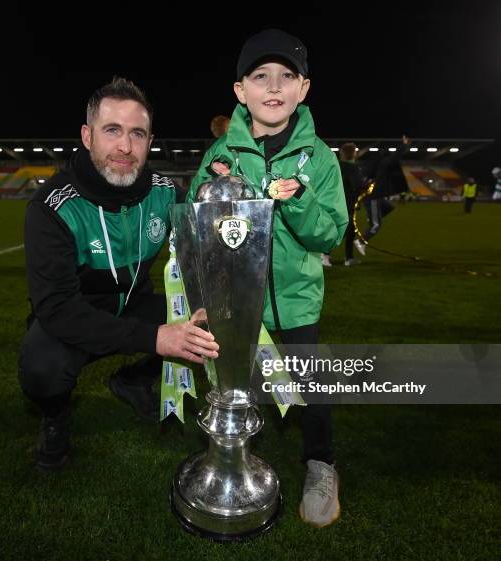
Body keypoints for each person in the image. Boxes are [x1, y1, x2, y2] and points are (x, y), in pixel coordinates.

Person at [187, 29, 348, 528]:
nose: (273, 87)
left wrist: (296, 198)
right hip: (236, 306)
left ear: (304, 89)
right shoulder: (221, 154)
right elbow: (194, 232)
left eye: (286, 76)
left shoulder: (318, 158)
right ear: (241, 91)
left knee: (312, 393)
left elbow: (329, 236)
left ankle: (321, 465)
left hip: (296, 302)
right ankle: (229, 466)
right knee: (233, 388)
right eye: (260, 77)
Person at [18, 77, 219, 471]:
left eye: (137, 134)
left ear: (150, 141)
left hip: (134, 304)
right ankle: (56, 417)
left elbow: (207, 248)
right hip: (75, 315)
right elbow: (56, 307)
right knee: (42, 368)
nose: (125, 147)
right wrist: (154, 338)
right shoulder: (51, 206)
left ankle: (133, 379)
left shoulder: (166, 193)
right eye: (112, 131)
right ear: (87, 135)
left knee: (209, 323)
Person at [353, 135, 410, 256]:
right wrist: (404, 145)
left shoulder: (374, 165)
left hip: (376, 196)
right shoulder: (384, 163)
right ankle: (361, 242)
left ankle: (371, 217)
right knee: (376, 225)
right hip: (372, 197)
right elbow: (395, 157)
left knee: (390, 207)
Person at [339, 142, 367, 266]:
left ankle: (348, 258)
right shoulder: (353, 167)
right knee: (347, 230)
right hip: (348, 202)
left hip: (336, 202)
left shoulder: (337, 165)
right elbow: (357, 185)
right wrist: (367, 185)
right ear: (353, 153)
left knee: (346, 230)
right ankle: (326, 255)